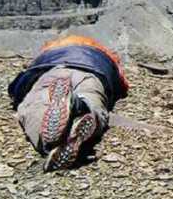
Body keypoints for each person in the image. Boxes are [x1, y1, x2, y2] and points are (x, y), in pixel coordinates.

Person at [8, 36, 129, 172]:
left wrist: (18, 94)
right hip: (94, 72)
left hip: (52, 71)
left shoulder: (47, 53)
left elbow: (17, 86)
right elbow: (122, 84)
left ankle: (48, 143)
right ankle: (83, 108)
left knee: (35, 106)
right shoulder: (105, 54)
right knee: (94, 102)